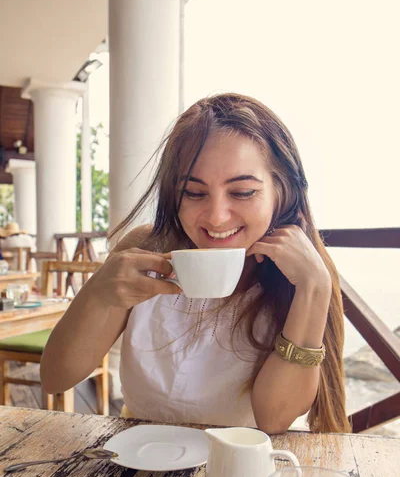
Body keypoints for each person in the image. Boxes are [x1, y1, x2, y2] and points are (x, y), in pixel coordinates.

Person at [41, 93, 350, 433]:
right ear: (174, 194)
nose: (216, 218)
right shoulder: (146, 250)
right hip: (138, 463)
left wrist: (314, 289)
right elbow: (56, 377)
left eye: (243, 192)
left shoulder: (299, 274)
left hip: (239, 472)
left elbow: (273, 419)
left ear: (282, 191)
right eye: (194, 192)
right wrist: (97, 295)